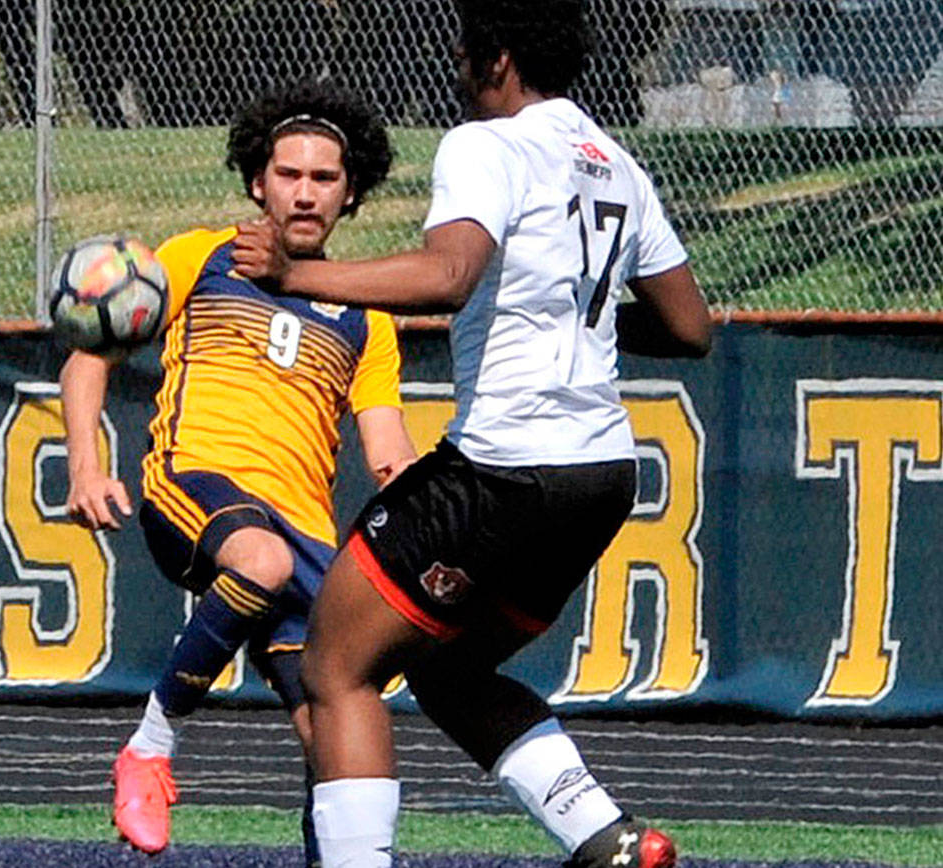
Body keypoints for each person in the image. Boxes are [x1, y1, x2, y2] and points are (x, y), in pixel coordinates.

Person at [232, 2, 713, 866]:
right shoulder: (616, 164)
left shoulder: (486, 143)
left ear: (495, 59)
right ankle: (607, 839)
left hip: (505, 465)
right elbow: (689, 328)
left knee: (337, 666)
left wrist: (294, 272)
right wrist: (584, 322)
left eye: (462, 50)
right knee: (450, 672)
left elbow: (450, 275)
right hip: (599, 476)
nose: (456, 66)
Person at [59, 80, 417, 860]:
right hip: (196, 487)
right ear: (258, 180)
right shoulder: (201, 257)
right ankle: (149, 750)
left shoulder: (365, 317)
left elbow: (389, 451)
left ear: (350, 194)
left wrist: (426, 514)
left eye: (325, 179)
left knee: (338, 739)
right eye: (289, 174)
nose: (305, 192)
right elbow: (89, 358)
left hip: (305, 539)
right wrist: (87, 468)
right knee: (260, 557)